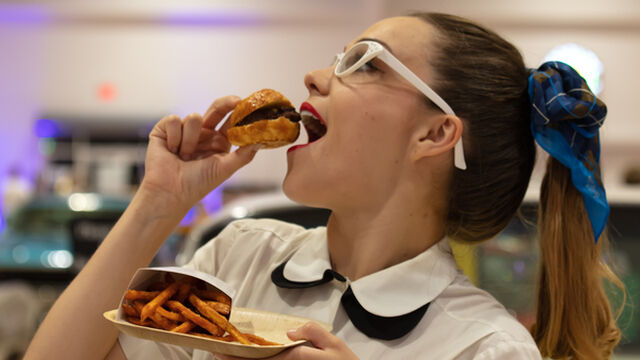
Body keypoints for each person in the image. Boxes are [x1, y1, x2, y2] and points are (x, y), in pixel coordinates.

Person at [24, 12, 623, 360]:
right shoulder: (241, 254)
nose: (315, 76)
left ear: (435, 133)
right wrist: (158, 205)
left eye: (365, 63)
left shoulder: (483, 348)